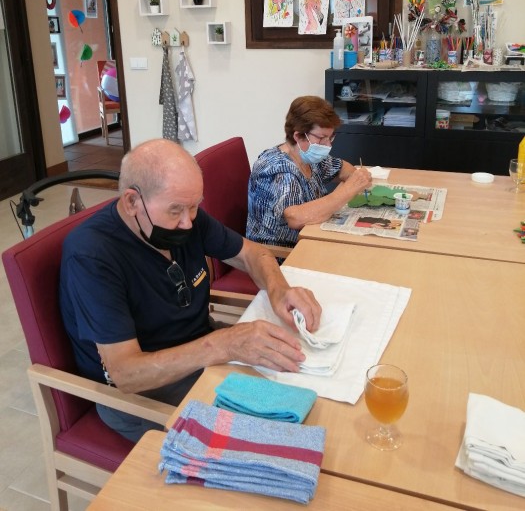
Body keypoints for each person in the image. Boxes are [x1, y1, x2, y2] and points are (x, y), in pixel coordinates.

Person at [59, 139, 321, 442]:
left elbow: (253, 253)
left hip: (199, 351)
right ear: (132, 202)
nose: (187, 223)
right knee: (275, 436)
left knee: (302, 385)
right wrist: (224, 345)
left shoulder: (185, 216)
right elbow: (126, 373)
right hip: (143, 392)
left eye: (194, 207)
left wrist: (279, 290)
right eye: (175, 211)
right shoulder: (92, 255)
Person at [247, 95, 372, 249]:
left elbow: (341, 168)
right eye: (322, 138)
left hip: (310, 238)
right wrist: (347, 190)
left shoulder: (306, 155)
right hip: (281, 254)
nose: (327, 145)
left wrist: (356, 178)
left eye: (330, 137)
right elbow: (296, 218)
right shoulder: (280, 170)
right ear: (298, 136)